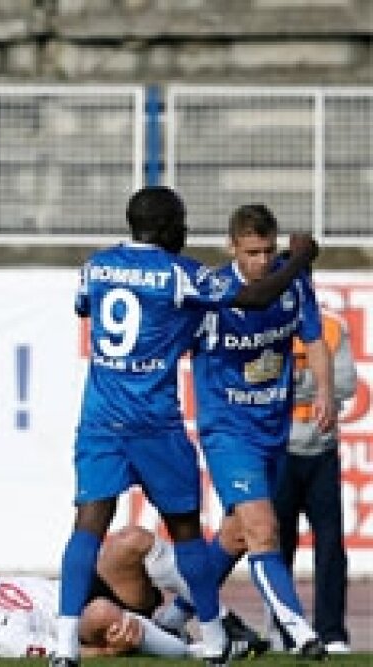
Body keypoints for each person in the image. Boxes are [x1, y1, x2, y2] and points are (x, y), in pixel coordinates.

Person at [50, 187, 320, 667]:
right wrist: (298, 258)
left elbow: (85, 309)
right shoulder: (181, 274)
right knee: (186, 531)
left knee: (88, 525)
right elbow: (255, 297)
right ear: (172, 227)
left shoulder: (95, 265)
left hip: (99, 419)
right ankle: (215, 639)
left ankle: (64, 645)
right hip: (154, 421)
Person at [157, 204, 335, 661]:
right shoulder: (212, 291)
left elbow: (313, 338)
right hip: (227, 430)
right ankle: (299, 631)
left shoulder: (293, 283)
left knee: (237, 535)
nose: (262, 261)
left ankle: (175, 616)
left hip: (272, 429)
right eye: (252, 252)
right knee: (262, 527)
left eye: (269, 251)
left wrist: (326, 394)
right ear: (232, 247)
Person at [0, 520, 258, 659]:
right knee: (102, 613)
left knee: (132, 539)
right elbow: (62, 653)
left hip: (88, 587)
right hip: (87, 619)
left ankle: (179, 620)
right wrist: (111, 649)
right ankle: (199, 649)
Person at [273, 307, 357, 654]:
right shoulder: (267, 322)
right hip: (279, 449)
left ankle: (332, 632)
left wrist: (297, 382)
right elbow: (261, 384)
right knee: (278, 546)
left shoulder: (331, 327)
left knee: (330, 546)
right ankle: (285, 631)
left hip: (321, 450)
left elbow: (346, 384)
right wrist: (318, 385)